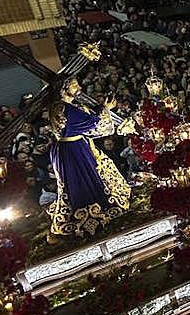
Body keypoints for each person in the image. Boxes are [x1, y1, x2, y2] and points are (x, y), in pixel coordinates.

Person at [46, 77, 131, 240]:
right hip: (75, 149)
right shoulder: (66, 108)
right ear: (64, 89)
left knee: (73, 181)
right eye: (74, 85)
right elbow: (93, 124)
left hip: (65, 148)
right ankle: (97, 208)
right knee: (84, 178)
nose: (78, 88)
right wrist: (106, 108)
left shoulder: (57, 106)